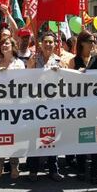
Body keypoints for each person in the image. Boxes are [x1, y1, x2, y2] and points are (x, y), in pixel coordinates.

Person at [68, 30, 97, 184]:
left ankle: (94, 172)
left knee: (96, 140)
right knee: (82, 138)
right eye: (90, 41)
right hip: (80, 107)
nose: (93, 43)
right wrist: (77, 74)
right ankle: (81, 169)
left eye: (94, 41)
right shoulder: (74, 61)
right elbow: (68, 82)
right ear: (82, 43)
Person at [27, 32, 63, 182]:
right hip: (36, 104)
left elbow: (66, 80)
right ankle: (33, 170)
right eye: (46, 42)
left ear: (55, 44)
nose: (48, 44)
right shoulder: (34, 60)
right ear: (41, 43)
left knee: (51, 136)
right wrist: (30, 65)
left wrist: (60, 70)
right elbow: (26, 78)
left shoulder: (59, 61)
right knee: (34, 137)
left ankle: (53, 169)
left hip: (53, 105)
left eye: (51, 42)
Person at [0, 37, 24, 179]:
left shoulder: (19, 63)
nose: (4, 45)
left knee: (14, 137)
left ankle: (14, 165)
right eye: (2, 43)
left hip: (14, 106)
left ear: (13, 46)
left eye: (7, 43)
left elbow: (23, 83)